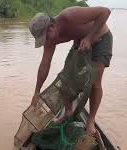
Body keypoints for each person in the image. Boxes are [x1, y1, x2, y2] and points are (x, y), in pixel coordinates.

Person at [29, 6, 113, 136]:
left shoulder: (69, 16)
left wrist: (89, 38)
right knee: (66, 79)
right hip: (80, 41)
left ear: (51, 26)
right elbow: (45, 65)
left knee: (95, 82)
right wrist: (36, 91)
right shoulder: (50, 39)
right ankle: (68, 112)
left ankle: (90, 121)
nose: (46, 41)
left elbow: (105, 12)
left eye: (45, 37)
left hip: (100, 39)